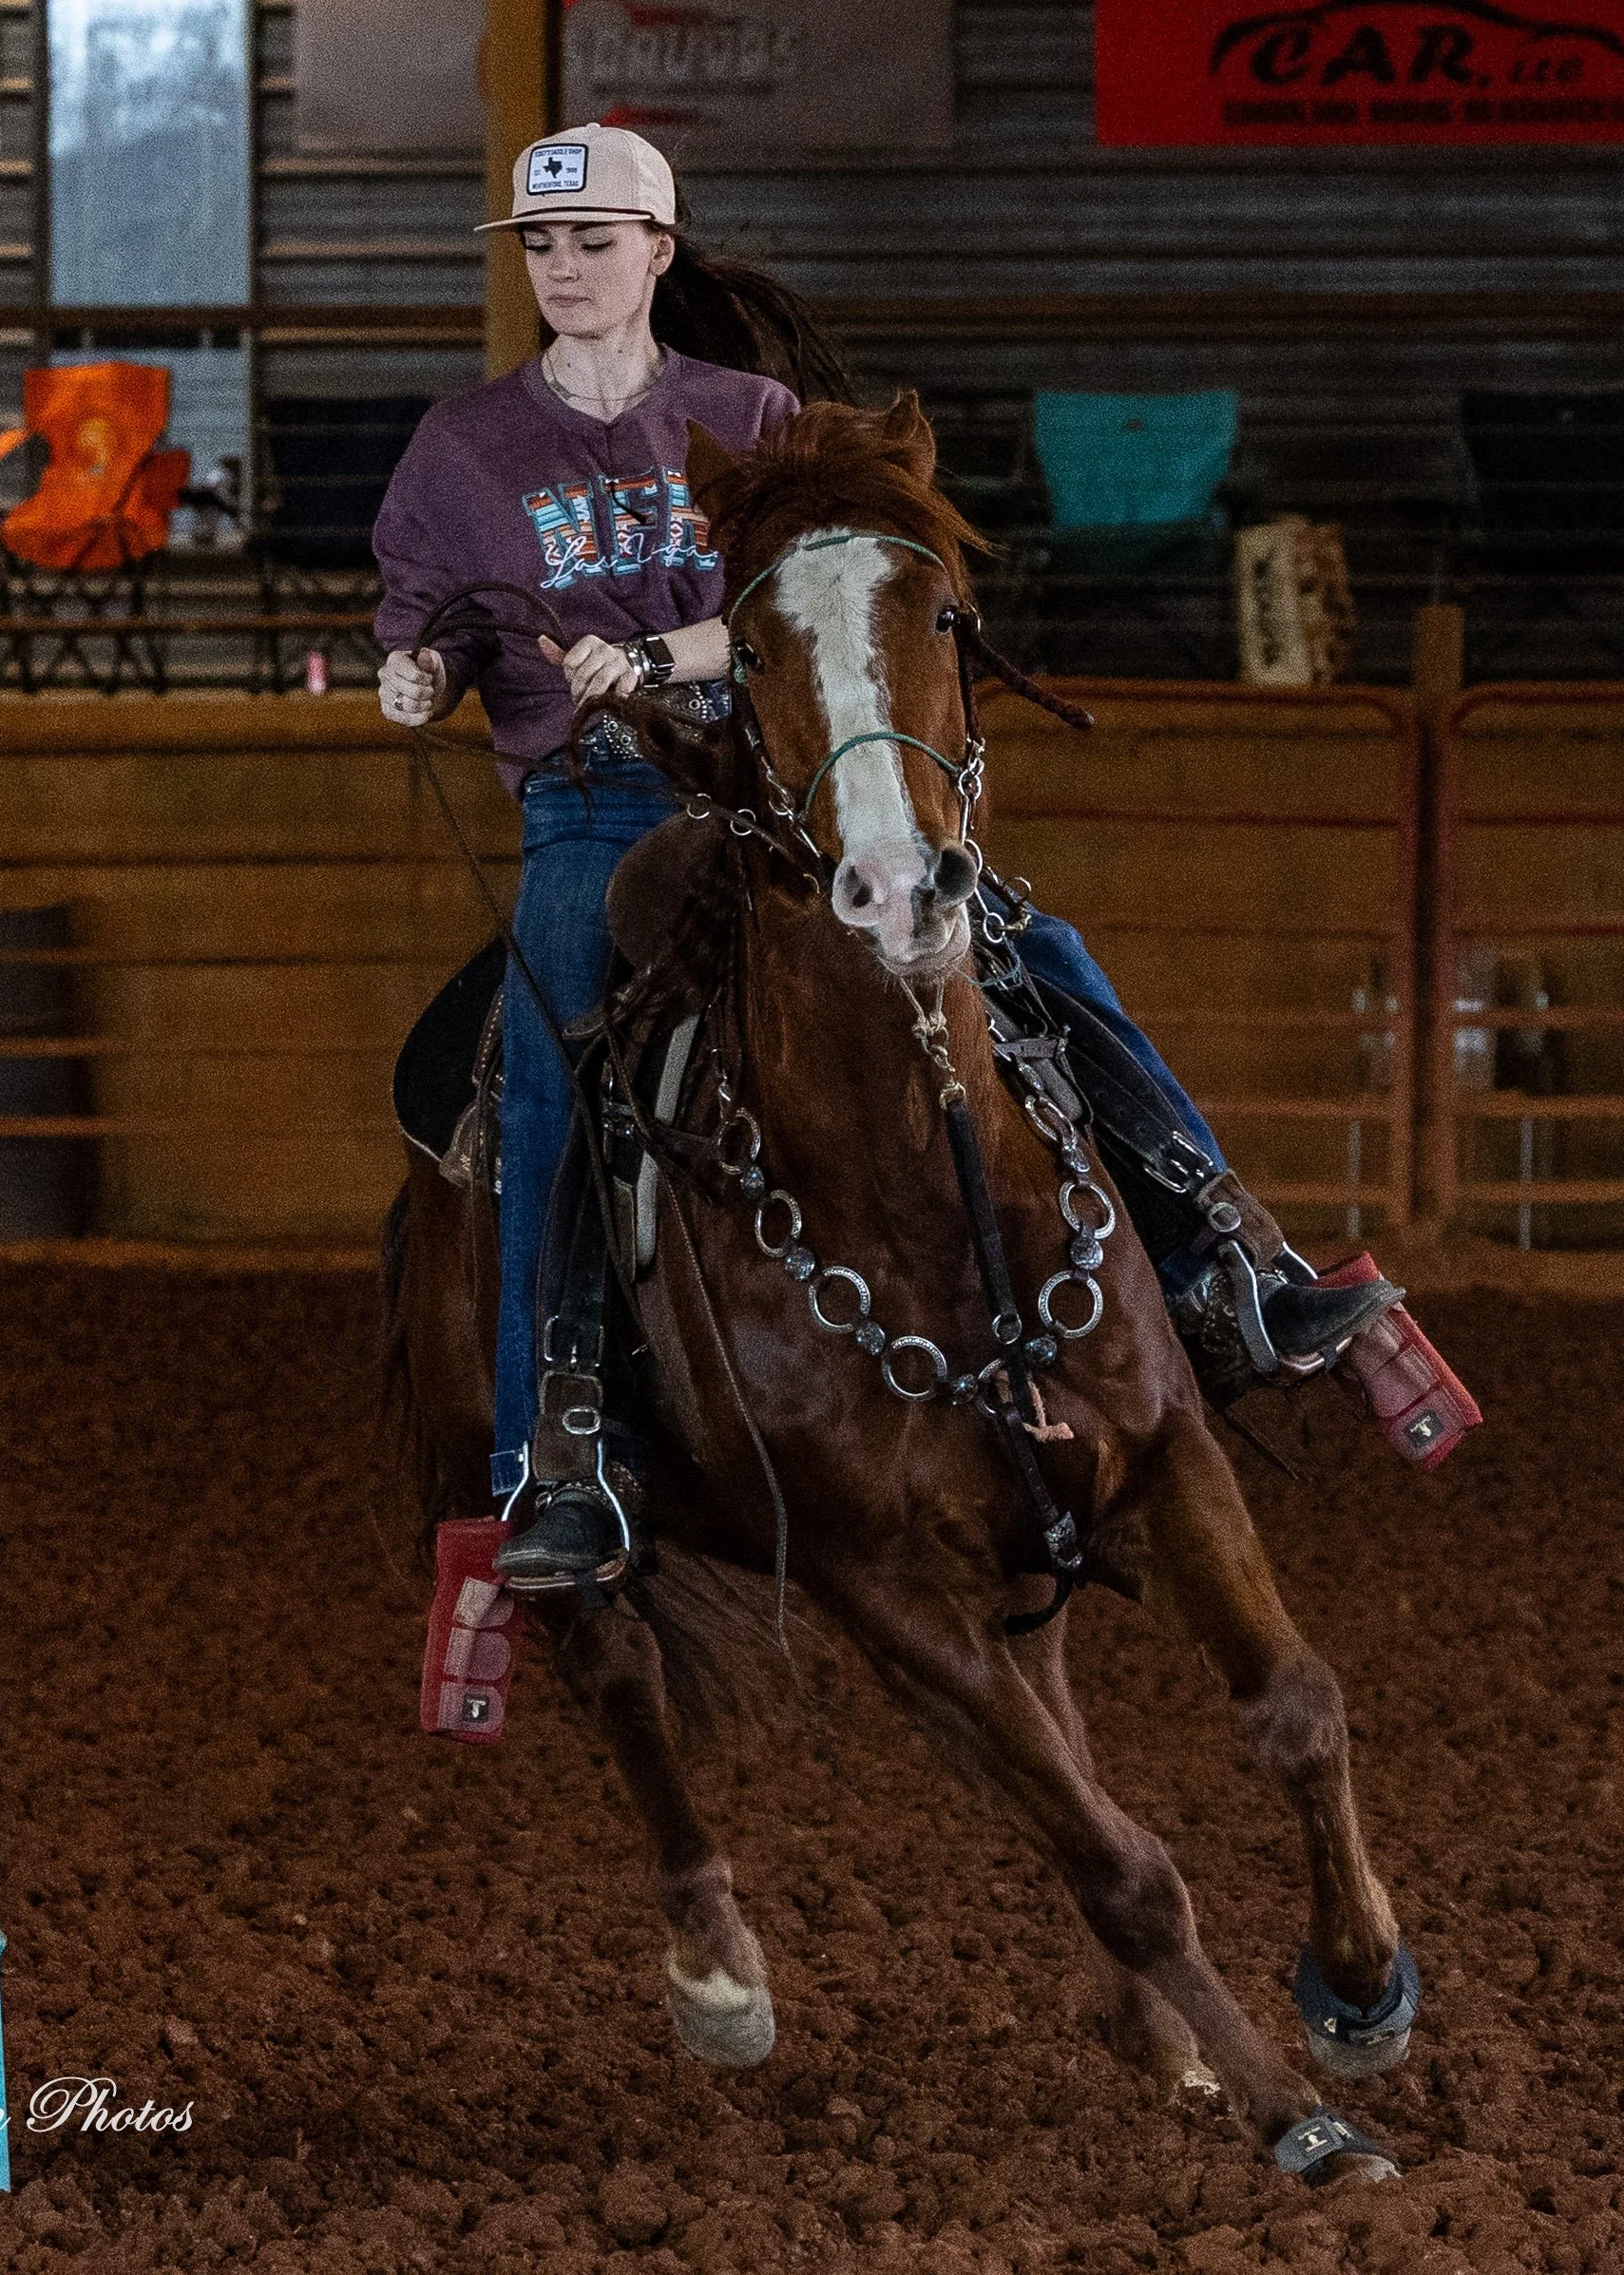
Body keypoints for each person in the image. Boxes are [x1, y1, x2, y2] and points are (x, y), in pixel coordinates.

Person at [373, 124, 1396, 1594]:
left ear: (660, 254)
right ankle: (566, 1451)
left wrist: (660, 652)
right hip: (590, 810)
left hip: (766, 786)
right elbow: (425, 631)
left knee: (1036, 957)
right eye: (543, 245)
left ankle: (1227, 1257)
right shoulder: (462, 449)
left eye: (596, 242)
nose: (566, 269)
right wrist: (410, 678)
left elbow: (818, 596)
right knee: (546, 1069)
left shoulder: (758, 415)